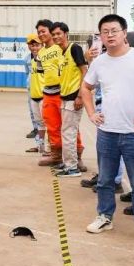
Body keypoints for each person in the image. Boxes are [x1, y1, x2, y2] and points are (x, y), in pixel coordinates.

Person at [80, 14, 134, 243]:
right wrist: (92, 113)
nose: (110, 35)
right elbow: (86, 88)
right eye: (105, 32)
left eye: (114, 30)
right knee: (105, 180)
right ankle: (104, 216)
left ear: (124, 33)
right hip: (107, 132)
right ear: (101, 36)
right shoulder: (100, 62)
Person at [50, 22, 88, 177]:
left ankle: (72, 167)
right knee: (66, 132)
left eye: (58, 33)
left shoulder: (74, 48)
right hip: (65, 98)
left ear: (66, 34)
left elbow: (84, 71)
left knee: (69, 133)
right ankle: (68, 163)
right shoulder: (62, 52)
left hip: (74, 97)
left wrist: (80, 96)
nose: (56, 37)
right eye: (53, 34)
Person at [35, 19, 63, 166]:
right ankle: (56, 155)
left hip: (63, 93)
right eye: (38, 32)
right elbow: (41, 73)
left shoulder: (60, 48)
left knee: (68, 126)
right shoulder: (40, 52)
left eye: (43, 31)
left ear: (50, 32)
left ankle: (77, 156)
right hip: (48, 93)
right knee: (51, 126)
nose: (41, 34)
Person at [25, 34, 46, 154]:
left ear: (42, 45)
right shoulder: (28, 60)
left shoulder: (46, 57)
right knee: (37, 120)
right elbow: (28, 74)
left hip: (44, 94)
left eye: (37, 45)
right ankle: (40, 146)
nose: (34, 48)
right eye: (31, 45)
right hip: (33, 93)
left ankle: (52, 149)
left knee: (47, 121)